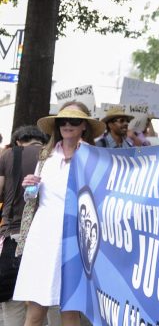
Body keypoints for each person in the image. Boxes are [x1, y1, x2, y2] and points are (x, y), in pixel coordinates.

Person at [14, 101, 104, 326]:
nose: (67, 125)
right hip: (42, 237)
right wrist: (30, 187)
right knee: (35, 311)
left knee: (70, 311)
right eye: (62, 120)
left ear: (85, 126)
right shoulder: (45, 156)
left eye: (74, 120)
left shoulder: (95, 158)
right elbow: (33, 198)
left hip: (75, 240)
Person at [0, 126, 48, 326]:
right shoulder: (53, 156)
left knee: (12, 298)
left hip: (15, 233)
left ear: (18, 141)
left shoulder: (9, 154)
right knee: (47, 297)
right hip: (47, 235)